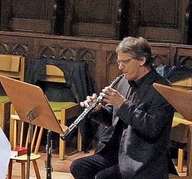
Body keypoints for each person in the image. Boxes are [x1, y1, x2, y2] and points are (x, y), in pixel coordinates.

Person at [70, 37, 177, 178]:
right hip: (117, 152)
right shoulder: (124, 81)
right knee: (79, 167)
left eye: (125, 62)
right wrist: (97, 110)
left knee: (103, 177)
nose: (120, 67)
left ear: (142, 60)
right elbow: (112, 118)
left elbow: (151, 128)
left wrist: (122, 104)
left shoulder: (162, 89)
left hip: (141, 159)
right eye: (119, 62)